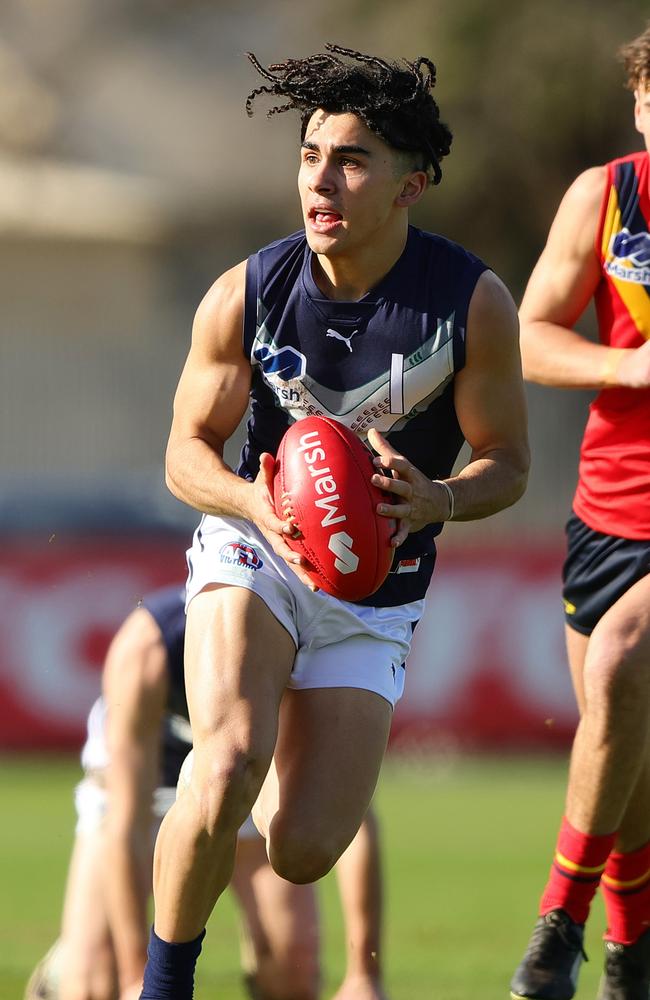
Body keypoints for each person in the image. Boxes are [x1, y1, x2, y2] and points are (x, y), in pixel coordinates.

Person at [141, 44, 529, 1000]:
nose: (321, 178)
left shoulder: (470, 303)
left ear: (411, 186)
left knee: (304, 850)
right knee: (225, 760)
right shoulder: (250, 290)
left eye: (351, 159)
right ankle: (164, 984)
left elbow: (510, 464)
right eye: (311, 154)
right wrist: (252, 502)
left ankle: (264, 774)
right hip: (257, 546)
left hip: (377, 587)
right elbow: (187, 450)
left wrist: (443, 498)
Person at [26, 585, 390, 1000]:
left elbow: (352, 818)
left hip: (243, 778)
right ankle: (69, 964)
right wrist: (133, 977)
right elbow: (126, 821)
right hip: (149, 785)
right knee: (92, 985)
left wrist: (364, 973)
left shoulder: (301, 636)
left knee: (292, 974)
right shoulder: (148, 648)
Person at [509, 24, 650, 1000]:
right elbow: (528, 335)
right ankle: (630, 961)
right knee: (622, 757)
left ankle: (555, 925)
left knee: (618, 666)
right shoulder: (606, 197)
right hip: (604, 515)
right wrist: (624, 364)